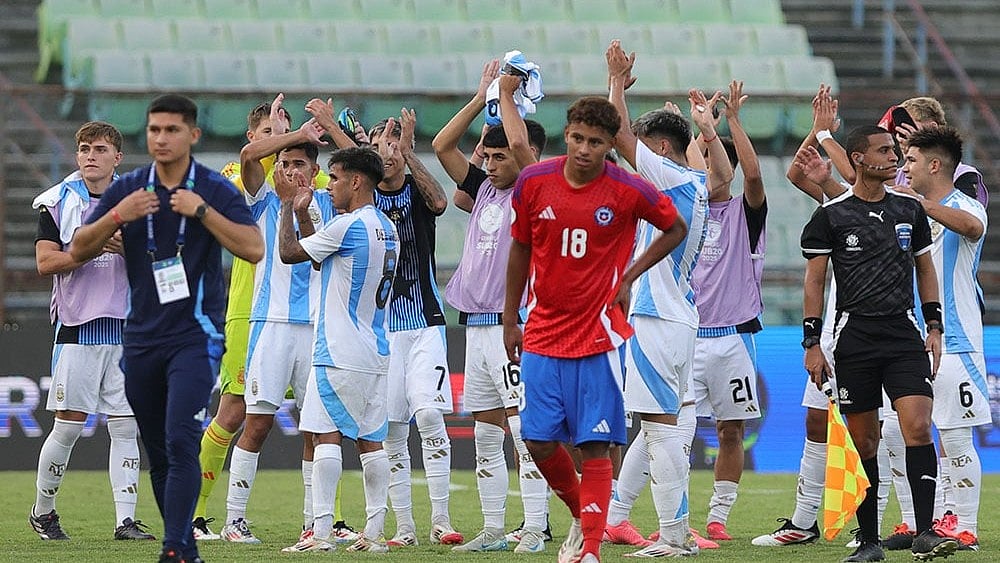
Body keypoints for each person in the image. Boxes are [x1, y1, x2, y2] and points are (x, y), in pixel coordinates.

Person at [69, 94, 264, 563]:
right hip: (139, 338)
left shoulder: (215, 189)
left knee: (180, 437)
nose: (160, 138)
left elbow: (254, 248)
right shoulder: (131, 188)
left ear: (193, 135)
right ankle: (185, 545)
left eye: (171, 130)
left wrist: (201, 212)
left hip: (195, 337)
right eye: (154, 130)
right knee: (157, 449)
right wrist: (117, 216)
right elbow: (77, 247)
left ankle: (174, 547)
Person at [503, 96, 687, 563]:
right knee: (538, 439)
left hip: (599, 335)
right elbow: (520, 249)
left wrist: (630, 276)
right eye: (579, 138)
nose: (585, 149)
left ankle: (589, 549)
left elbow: (675, 226)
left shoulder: (628, 188)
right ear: (567, 134)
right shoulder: (533, 182)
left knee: (594, 443)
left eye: (597, 142)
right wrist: (510, 316)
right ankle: (586, 517)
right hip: (543, 332)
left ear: (610, 145)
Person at [796, 125, 958, 562]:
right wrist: (812, 341)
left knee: (918, 427)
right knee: (865, 443)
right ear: (859, 158)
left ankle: (926, 532)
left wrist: (934, 325)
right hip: (854, 340)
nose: (894, 157)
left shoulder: (909, 210)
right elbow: (815, 280)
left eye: (895, 150)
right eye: (885, 151)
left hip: (903, 335)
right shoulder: (831, 215)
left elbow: (925, 269)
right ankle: (869, 542)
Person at [604, 41, 734, 555]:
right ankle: (616, 519)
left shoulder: (671, 177)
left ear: (659, 149)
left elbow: (617, 134)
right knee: (659, 424)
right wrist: (707, 127)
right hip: (682, 318)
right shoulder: (695, 183)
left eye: (643, 148)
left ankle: (675, 537)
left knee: (658, 429)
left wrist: (615, 81)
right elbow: (720, 174)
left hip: (656, 317)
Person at [433, 60, 551, 553]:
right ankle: (495, 528)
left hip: (514, 326)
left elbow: (521, 152)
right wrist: (482, 94)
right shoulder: (481, 190)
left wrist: (507, 95)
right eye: (487, 154)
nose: (489, 162)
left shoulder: (535, 188)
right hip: (474, 327)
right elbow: (442, 145)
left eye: (498, 156)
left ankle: (537, 525)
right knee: (485, 431)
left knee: (524, 429)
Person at [29, 121, 155, 542]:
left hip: (126, 330)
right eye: (84, 148)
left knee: (125, 426)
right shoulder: (56, 202)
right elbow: (46, 263)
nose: (90, 156)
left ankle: (125, 522)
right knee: (67, 427)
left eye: (100, 149)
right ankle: (42, 511)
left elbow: (164, 265)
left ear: (117, 157)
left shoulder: (141, 202)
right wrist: (90, 248)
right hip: (78, 328)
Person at [220, 112, 337, 545]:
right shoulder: (262, 201)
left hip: (316, 329)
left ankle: (312, 522)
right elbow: (250, 153)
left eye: (299, 164)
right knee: (257, 424)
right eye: (284, 164)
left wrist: (301, 206)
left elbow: (317, 254)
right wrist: (296, 134)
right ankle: (234, 520)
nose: (289, 171)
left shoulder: (329, 204)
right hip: (269, 326)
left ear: (315, 172)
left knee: (316, 428)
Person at [275, 147, 398, 553]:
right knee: (370, 440)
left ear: (357, 181)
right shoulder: (383, 225)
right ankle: (375, 533)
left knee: (324, 436)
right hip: (375, 350)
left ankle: (322, 533)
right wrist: (306, 215)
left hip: (338, 350)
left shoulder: (348, 225)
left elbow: (292, 254)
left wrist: (284, 207)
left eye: (336, 178)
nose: (330, 186)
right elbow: (321, 258)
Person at [367, 111, 463, 546]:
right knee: (392, 428)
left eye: (392, 141)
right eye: (378, 142)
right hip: (382, 330)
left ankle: (440, 520)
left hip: (425, 322)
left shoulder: (418, 192)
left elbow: (442, 203)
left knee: (428, 415)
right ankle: (404, 527)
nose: (386, 148)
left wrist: (409, 153)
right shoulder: (362, 200)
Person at [892, 126, 989, 551]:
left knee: (954, 436)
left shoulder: (966, 204)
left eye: (910, 160)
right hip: (907, 340)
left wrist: (923, 206)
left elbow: (971, 227)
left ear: (935, 165)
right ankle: (919, 522)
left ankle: (965, 525)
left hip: (956, 342)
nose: (904, 167)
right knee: (902, 434)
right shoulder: (907, 208)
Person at [687, 75, 768, 545]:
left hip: (733, 337)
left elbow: (755, 177)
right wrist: (694, 130)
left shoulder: (744, 212)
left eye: (708, 154)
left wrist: (728, 122)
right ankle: (672, 515)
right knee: (672, 429)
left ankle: (717, 517)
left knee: (730, 430)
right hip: (684, 335)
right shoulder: (681, 211)